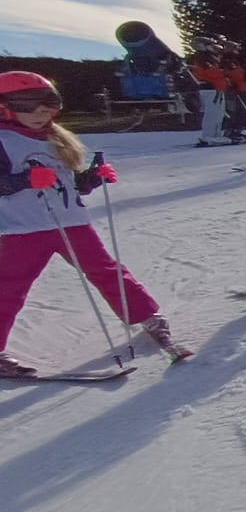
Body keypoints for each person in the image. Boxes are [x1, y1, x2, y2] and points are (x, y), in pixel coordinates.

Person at [0, 71, 187, 374]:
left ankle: (147, 314)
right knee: (9, 286)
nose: (39, 113)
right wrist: (24, 180)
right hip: (25, 228)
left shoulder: (56, 137)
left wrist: (91, 178)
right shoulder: (3, 140)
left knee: (106, 270)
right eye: (27, 106)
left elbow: (69, 184)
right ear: (4, 107)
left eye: (48, 105)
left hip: (72, 222)